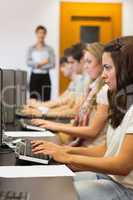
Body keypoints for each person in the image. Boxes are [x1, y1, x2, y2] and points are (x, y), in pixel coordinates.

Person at [32, 37, 133, 200]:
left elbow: (122, 165)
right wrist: (64, 150)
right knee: (50, 183)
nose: (104, 75)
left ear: (126, 70)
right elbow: (105, 150)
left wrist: (68, 156)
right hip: (112, 178)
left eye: (107, 68)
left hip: (126, 189)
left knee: (55, 194)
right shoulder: (119, 100)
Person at [32, 42, 109, 146]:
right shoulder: (92, 86)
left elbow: (73, 110)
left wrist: (45, 115)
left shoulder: (102, 89)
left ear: (101, 63)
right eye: (85, 62)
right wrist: (41, 110)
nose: (85, 66)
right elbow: (66, 103)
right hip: (81, 139)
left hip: (87, 145)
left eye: (89, 62)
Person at [24, 43, 90, 119]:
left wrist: (42, 111)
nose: (70, 66)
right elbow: (63, 102)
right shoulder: (80, 80)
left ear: (82, 60)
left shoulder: (85, 80)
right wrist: (41, 108)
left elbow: (73, 109)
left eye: (71, 62)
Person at [27, 25, 55, 101]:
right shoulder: (31, 48)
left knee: (46, 99)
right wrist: (42, 63)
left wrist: (38, 65)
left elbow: (52, 64)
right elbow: (28, 62)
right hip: (34, 77)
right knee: (33, 99)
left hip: (45, 77)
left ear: (45, 34)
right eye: (39, 33)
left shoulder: (50, 49)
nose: (41, 35)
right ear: (36, 34)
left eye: (43, 33)